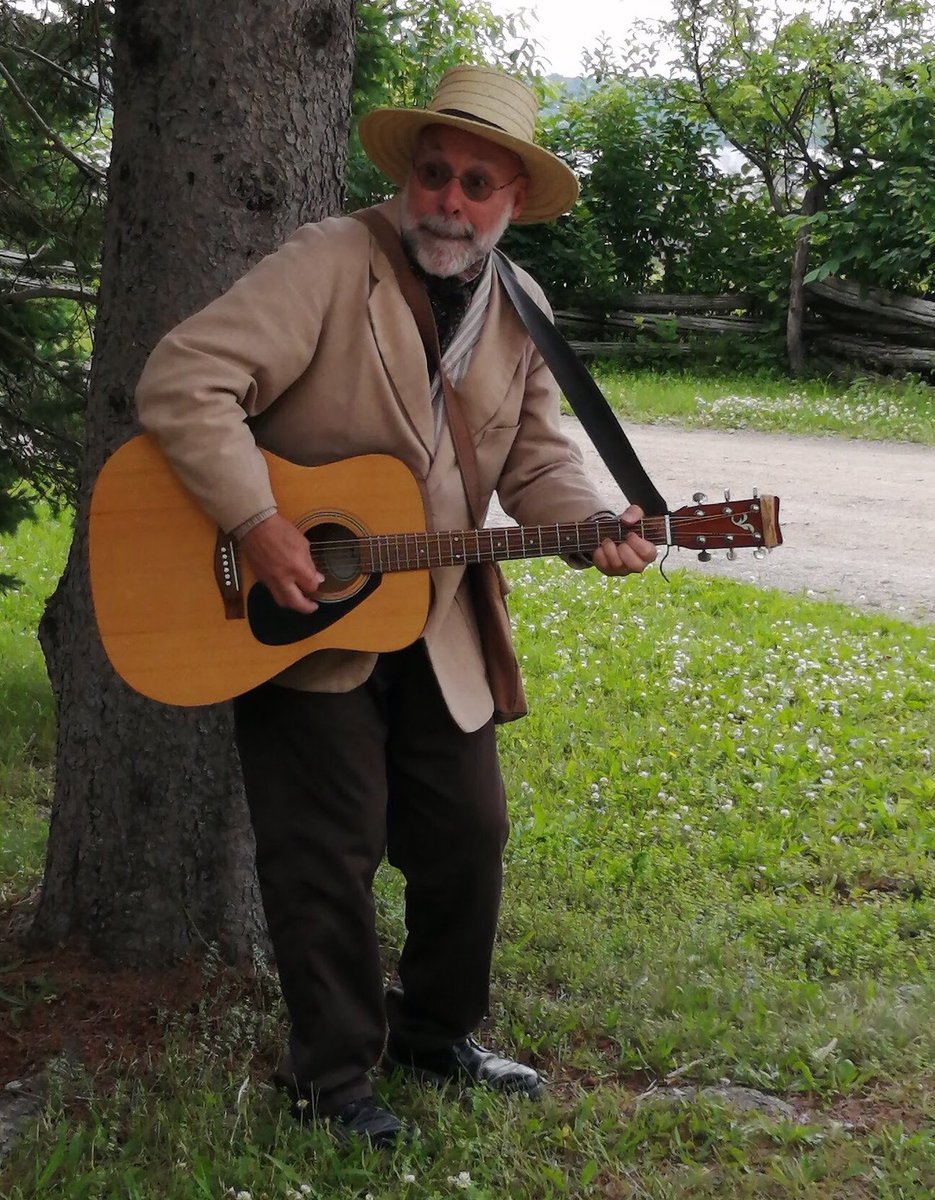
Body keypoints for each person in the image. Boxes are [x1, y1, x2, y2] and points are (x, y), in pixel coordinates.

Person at [135, 65, 656, 1147]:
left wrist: (595, 522)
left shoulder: (522, 309)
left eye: (476, 183)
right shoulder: (329, 263)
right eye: (434, 174)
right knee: (324, 849)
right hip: (298, 604)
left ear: (510, 200)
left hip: (439, 621)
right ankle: (327, 1084)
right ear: (407, 176)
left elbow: (541, 461)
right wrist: (254, 521)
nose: (449, 202)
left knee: (468, 832)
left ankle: (433, 1036)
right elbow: (185, 379)